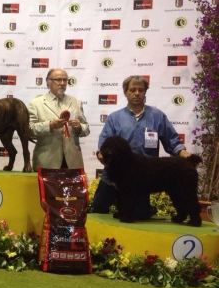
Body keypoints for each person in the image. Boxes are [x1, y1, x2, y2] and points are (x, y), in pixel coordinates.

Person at [92, 75, 191, 219]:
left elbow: (173, 141)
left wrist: (184, 154)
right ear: (125, 92)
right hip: (112, 176)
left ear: (145, 92)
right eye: (132, 90)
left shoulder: (158, 116)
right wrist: (101, 154)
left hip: (141, 178)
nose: (137, 93)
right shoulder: (114, 118)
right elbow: (104, 144)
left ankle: (143, 211)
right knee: (98, 210)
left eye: (141, 90)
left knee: (139, 215)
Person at [28, 68, 90, 169]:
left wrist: (79, 127)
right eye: (58, 80)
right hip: (47, 161)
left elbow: (86, 129)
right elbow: (30, 129)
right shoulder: (36, 103)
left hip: (73, 162)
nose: (62, 83)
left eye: (65, 80)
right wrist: (50, 125)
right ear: (48, 81)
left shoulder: (76, 102)